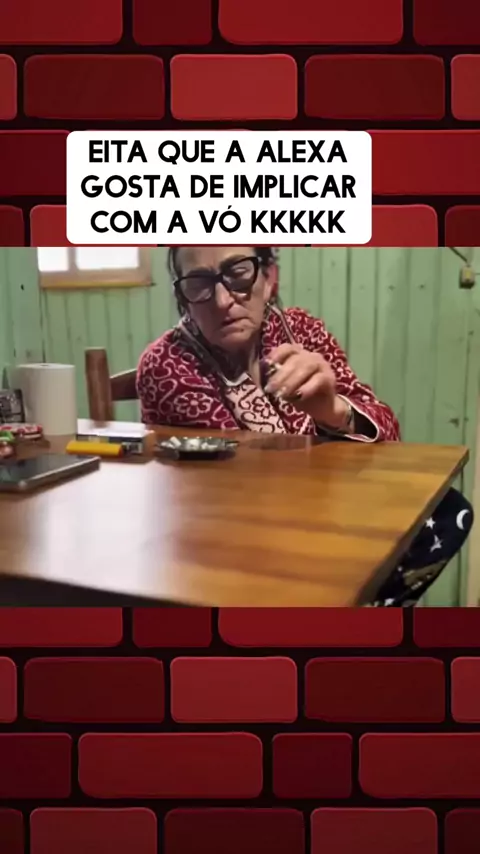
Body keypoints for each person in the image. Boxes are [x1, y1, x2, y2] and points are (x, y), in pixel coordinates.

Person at [137, 246, 473, 606]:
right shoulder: (167, 365)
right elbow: (242, 486)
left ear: (269, 278)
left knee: (448, 510)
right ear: (183, 298)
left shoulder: (302, 330)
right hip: (234, 541)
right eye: (199, 283)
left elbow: (388, 431)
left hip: (321, 511)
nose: (222, 300)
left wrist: (333, 410)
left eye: (238, 273)